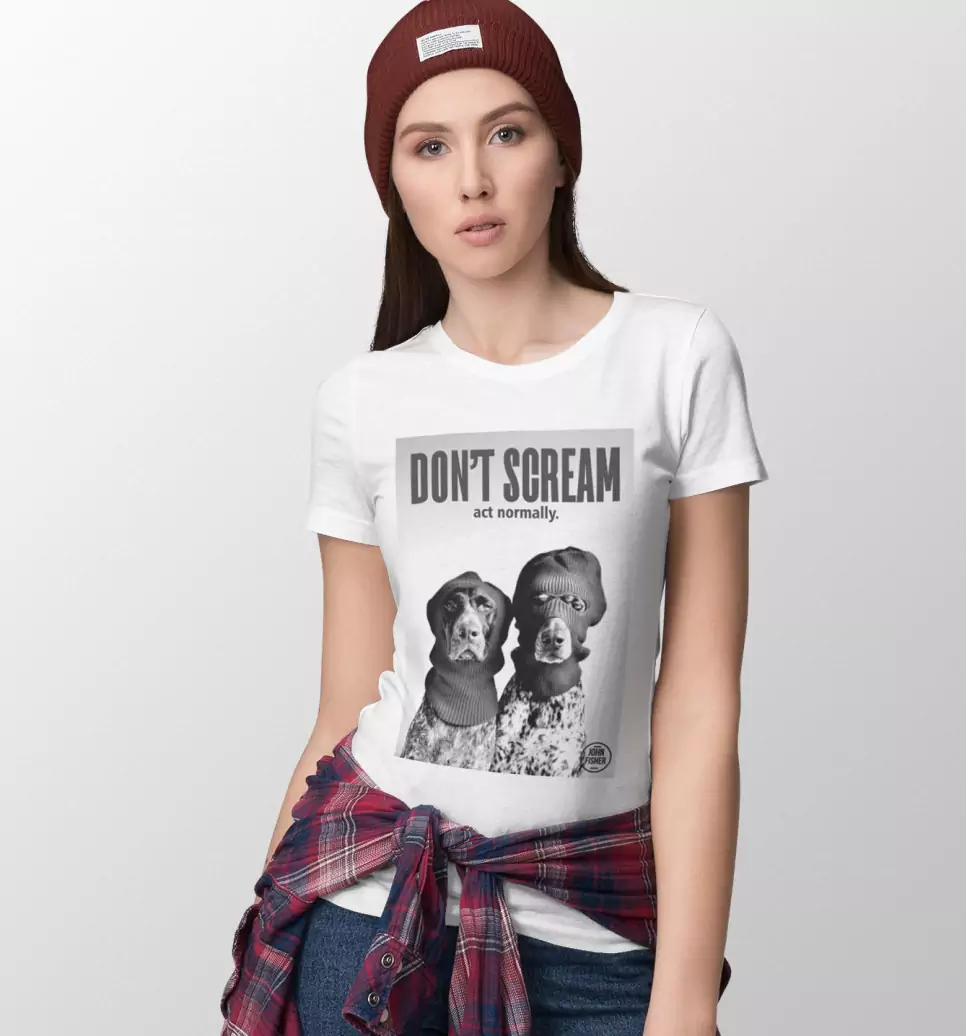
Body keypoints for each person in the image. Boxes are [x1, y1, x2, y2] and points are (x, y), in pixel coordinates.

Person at [220, 1, 770, 1034]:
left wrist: (685, 996)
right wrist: (269, 927)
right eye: (429, 147)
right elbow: (344, 706)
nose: (472, 178)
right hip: (366, 913)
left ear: (561, 155)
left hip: (594, 922)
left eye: (506, 132)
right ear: (396, 185)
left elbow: (699, 701)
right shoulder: (360, 400)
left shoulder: (676, 356)